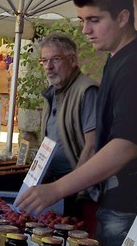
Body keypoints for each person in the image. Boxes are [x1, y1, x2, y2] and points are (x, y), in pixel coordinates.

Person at [17, 0, 137, 246]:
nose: (85, 30)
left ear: (122, 17)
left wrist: (58, 189)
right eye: (82, 20)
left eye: (94, 20)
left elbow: (124, 147)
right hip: (130, 199)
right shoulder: (120, 58)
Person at [36, 33, 99, 189]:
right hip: (52, 182)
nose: (48, 66)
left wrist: (73, 189)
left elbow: (92, 146)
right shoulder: (53, 91)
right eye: (44, 60)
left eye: (55, 59)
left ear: (72, 60)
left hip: (73, 186)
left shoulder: (87, 91)